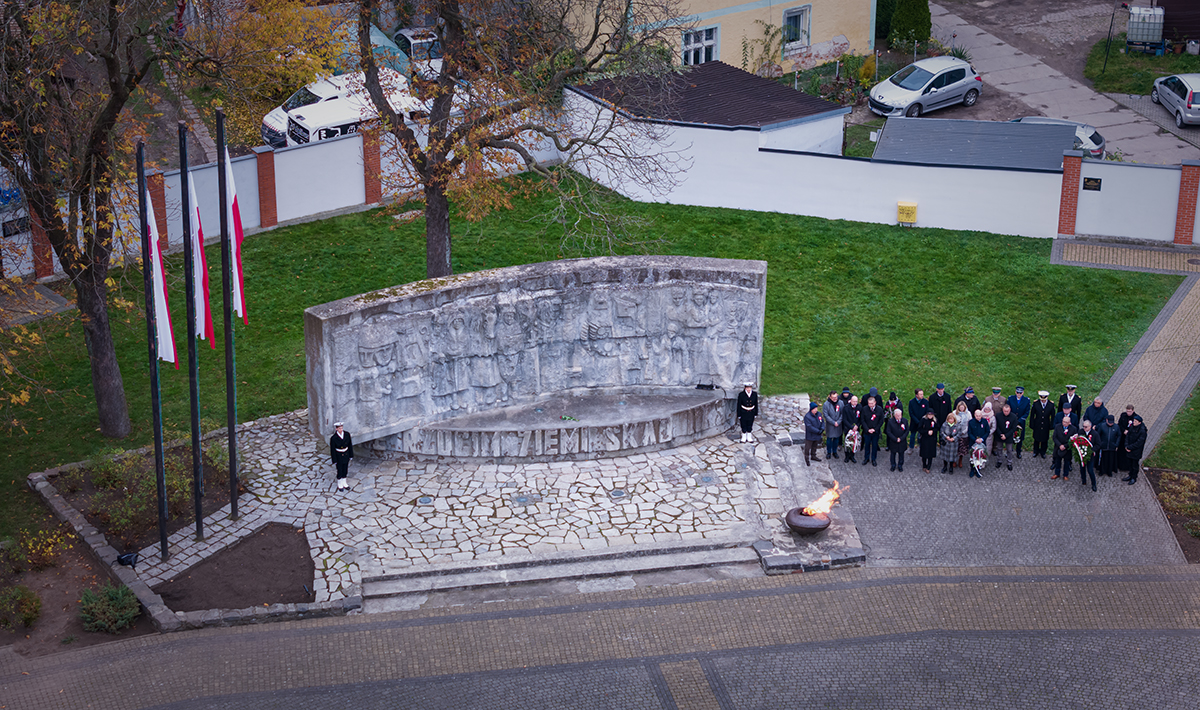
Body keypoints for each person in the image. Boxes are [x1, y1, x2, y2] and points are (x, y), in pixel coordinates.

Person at [1029, 391, 1056, 459]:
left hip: (1046, 424)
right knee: (1036, 438)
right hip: (1037, 424)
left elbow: (1053, 416)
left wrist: (1052, 425)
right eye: (1042, 399)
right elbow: (1032, 415)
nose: (1043, 401)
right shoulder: (1036, 404)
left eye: (1044, 399)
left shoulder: (1051, 405)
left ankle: (1043, 452)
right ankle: (1036, 450)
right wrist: (1032, 424)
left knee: (1045, 438)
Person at [860, 394, 885, 467]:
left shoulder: (879, 409)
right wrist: (867, 429)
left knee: (874, 446)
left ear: (875, 402)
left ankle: (873, 459)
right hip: (867, 431)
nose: (870, 405)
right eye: (869, 403)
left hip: (875, 432)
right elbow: (862, 420)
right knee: (867, 445)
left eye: (871, 403)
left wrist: (875, 429)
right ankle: (866, 458)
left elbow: (881, 421)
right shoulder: (864, 409)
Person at [1006, 386, 1031, 459]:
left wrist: (1020, 420)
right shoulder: (1010, 399)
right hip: (1011, 421)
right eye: (1017, 392)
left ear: (1023, 393)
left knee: (1020, 437)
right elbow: (1008, 409)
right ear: (1015, 392)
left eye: (1020, 393)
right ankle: (1009, 451)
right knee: (1010, 436)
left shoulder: (1026, 400)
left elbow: (1027, 412)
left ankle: (1018, 451)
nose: (1019, 394)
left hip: (1021, 422)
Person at [1122, 414, 1146, 485]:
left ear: (1139, 423)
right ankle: (1130, 475)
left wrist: (1130, 447)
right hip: (1129, 449)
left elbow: (1139, 443)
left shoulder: (1142, 431)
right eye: (1133, 421)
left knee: (1134, 465)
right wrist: (1126, 446)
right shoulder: (1132, 427)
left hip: (1136, 452)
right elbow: (1127, 437)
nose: (1133, 422)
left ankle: (1134, 477)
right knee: (1129, 464)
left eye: (1135, 421)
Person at [1051, 414, 1077, 481]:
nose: (1064, 423)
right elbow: (1054, 437)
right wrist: (1060, 445)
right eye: (1063, 421)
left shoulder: (1073, 429)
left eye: (1066, 422)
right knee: (1057, 461)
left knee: (1067, 462)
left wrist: (1065, 446)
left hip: (1067, 449)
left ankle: (1065, 474)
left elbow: (1073, 440)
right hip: (1058, 447)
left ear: (1069, 423)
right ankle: (1057, 473)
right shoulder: (1057, 427)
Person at [330, 422, 354, 493]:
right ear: (336, 429)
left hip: (346, 454)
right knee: (339, 469)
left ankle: (344, 482)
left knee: (345, 468)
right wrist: (334, 460)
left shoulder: (347, 434)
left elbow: (350, 445)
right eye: (339, 428)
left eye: (342, 428)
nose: (341, 429)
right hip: (339, 455)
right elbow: (332, 450)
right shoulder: (334, 438)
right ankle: (340, 483)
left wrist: (351, 455)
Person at [993, 402, 1018, 471]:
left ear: (1010, 410)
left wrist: (1006, 435)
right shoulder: (998, 415)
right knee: (999, 448)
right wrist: (1001, 434)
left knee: (1009, 450)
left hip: (1008, 436)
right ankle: (999, 461)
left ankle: (1009, 462)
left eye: (1007, 411)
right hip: (999, 435)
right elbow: (996, 426)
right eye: (1004, 411)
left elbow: (1013, 428)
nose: (1006, 412)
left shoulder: (1013, 417)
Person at [966, 409, 990, 478]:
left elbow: (987, 431)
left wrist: (982, 439)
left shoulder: (985, 421)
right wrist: (975, 439)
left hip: (982, 443)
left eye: (979, 416)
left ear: (981, 415)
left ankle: (978, 470)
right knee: (972, 457)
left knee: (980, 457)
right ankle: (972, 470)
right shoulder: (971, 422)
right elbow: (969, 433)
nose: (978, 417)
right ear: (974, 415)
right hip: (973, 442)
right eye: (977, 416)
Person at [1097, 414, 1121, 478]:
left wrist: (1116, 444)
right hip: (1103, 446)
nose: (1110, 424)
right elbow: (1098, 435)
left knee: (1110, 460)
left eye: (1112, 423)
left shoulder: (1116, 427)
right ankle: (1102, 471)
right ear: (1106, 420)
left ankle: (1109, 471)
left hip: (1112, 447)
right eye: (1109, 422)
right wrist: (1100, 443)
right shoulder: (1102, 426)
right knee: (1103, 459)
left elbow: (1119, 435)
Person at [885, 407, 908, 472]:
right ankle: (893, 465)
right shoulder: (890, 422)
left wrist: (901, 438)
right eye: (897, 415)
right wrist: (895, 439)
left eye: (900, 415)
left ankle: (900, 465)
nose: (899, 417)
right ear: (894, 415)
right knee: (893, 454)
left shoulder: (905, 421)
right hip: (893, 441)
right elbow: (888, 431)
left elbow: (907, 431)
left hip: (902, 441)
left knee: (901, 454)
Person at [1079, 419, 1099, 492]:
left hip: (1090, 455)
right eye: (1083, 426)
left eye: (1086, 427)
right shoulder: (1081, 432)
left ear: (1090, 426)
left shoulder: (1095, 434)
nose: (1084, 428)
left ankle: (1093, 484)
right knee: (1082, 468)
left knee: (1090, 470)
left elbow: (1098, 444)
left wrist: (1091, 450)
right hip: (1082, 454)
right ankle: (1083, 480)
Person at [822, 391, 843, 460]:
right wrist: (833, 422)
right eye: (833, 397)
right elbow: (826, 415)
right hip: (830, 425)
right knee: (829, 439)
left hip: (838, 425)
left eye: (836, 397)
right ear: (830, 397)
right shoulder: (826, 404)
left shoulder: (841, 403)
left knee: (836, 439)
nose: (835, 399)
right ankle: (828, 452)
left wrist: (838, 422)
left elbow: (842, 413)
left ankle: (834, 451)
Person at [803, 401, 824, 466]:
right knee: (807, 448)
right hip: (810, 435)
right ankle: (806, 459)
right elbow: (809, 427)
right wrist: (818, 431)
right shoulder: (807, 417)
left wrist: (822, 428)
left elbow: (822, 421)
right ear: (811, 409)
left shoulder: (819, 414)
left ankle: (813, 456)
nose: (816, 410)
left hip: (817, 435)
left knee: (815, 446)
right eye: (814, 409)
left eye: (816, 408)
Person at [1117, 404, 1137, 472]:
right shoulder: (1123, 415)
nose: (1128, 413)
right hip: (1123, 436)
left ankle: (1127, 466)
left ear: (1133, 411)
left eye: (1130, 411)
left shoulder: (1135, 417)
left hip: (1130, 438)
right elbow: (1119, 424)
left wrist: (1129, 431)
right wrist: (1123, 430)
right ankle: (1119, 465)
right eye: (1127, 411)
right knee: (1121, 450)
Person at [842, 395, 861, 463]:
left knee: (854, 443)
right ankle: (847, 456)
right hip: (848, 428)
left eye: (856, 401)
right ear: (851, 401)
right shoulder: (846, 408)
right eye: (854, 401)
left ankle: (852, 456)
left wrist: (857, 425)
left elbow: (860, 418)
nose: (855, 403)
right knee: (848, 443)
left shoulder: (859, 407)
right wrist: (851, 427)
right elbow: (844, 419)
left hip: (856, 429)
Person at [954, 401, 972, 469]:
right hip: (956, 433)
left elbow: (970, 423)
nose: (961, 409)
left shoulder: (968, 413)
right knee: (956, 448)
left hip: (964, 433)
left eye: (963, 407)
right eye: (960, 407)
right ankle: (954, 460)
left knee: (962, 449)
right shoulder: (954, 413)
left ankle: (960, 460)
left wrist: (965, 431)